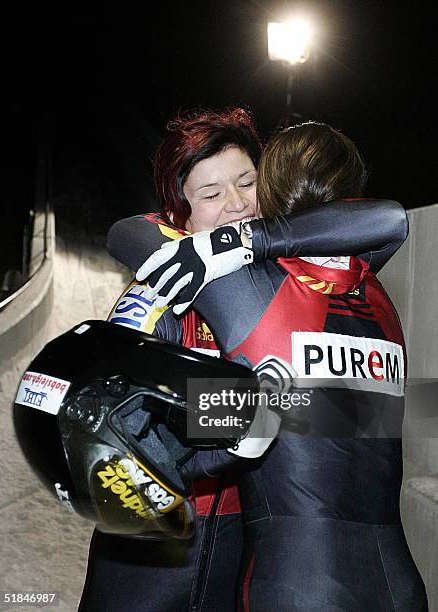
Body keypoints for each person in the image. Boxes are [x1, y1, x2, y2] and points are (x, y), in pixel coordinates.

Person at [87, 110, 426, 610]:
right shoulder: (162, 291)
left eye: (248, 183)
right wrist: (247, 412)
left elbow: (384, 223)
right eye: (211, 194)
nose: (237, 204)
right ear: (178, 216)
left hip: (250, 537)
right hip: (158, 541)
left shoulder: (280, 279)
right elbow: (117, 423)